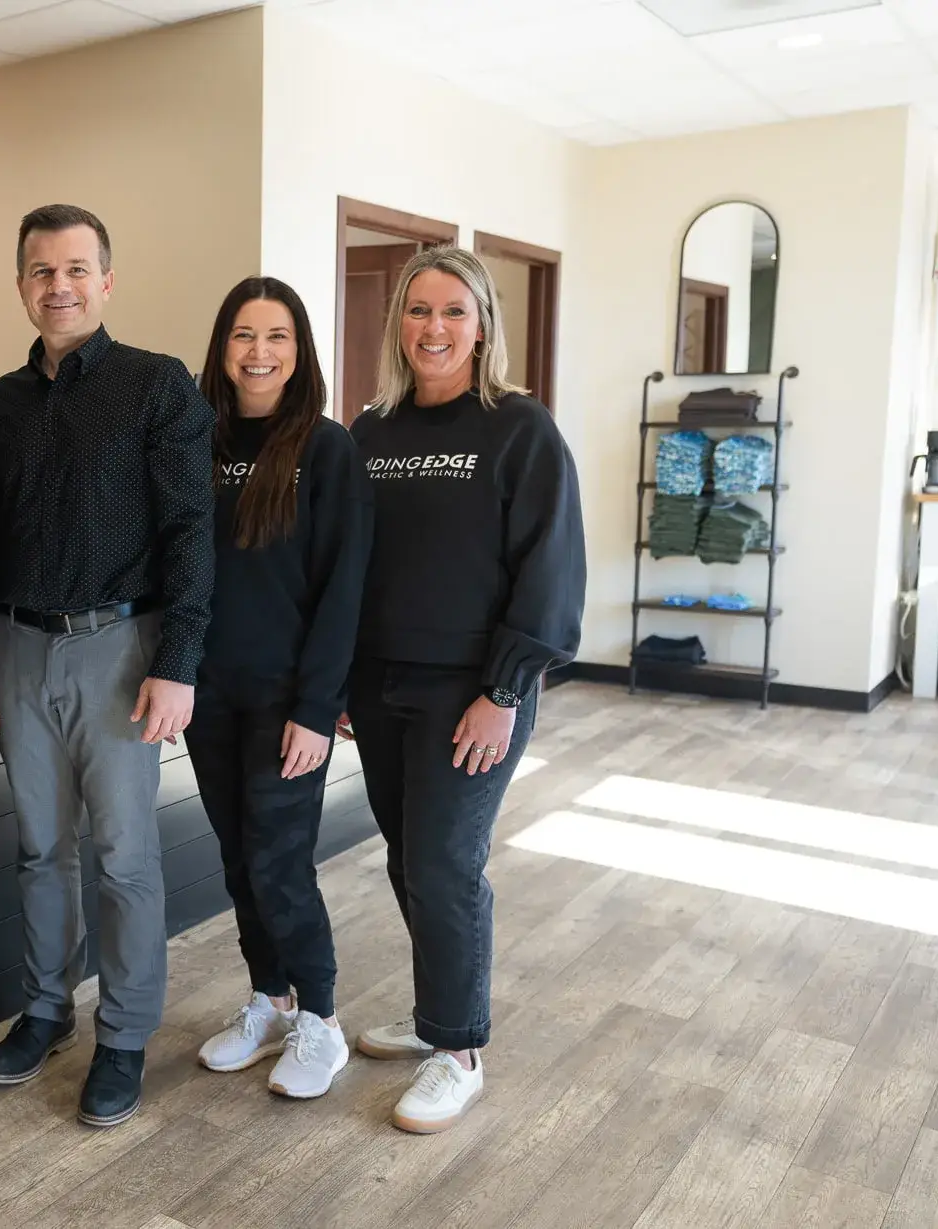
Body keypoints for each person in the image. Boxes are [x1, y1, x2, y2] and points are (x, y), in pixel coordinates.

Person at [0, 204, 215, 1129]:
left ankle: (125, 1033)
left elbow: (192, 530)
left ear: (106, 281)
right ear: (21, 284)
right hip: (19, 647)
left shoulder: (158, 387)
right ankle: (42, 1010)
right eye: (40, 270)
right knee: (38, 848)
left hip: (121, 647)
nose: (57, 285)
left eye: (75, 269)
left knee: (124, 855)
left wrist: (178, 661)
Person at [342, 245, 585, 1133]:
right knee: (411, 859)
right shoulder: (372, 431)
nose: (434, 328)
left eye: (453, 311)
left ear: (483, 324)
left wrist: (506, 689)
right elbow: (348, 566)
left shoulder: (520, 428)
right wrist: (338, 677)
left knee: (445, 863)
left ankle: (460, 1049)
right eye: (417, 311)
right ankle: (434, 1012)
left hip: (472, 692)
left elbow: (549, 571)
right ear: (396, 325)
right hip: (378, 686)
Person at [188, 277, 370, 1098]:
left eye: (277, 337)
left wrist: (315, 708)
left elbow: (343, 590)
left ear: (300, 353)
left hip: (285, 700)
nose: (259, 352)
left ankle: (322, 1021)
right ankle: (268, 999)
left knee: (279, 863)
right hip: (209, 695)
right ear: (222, 349)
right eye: (243, 336)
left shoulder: (326, 450)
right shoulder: (196, 441)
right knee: (237, 859)